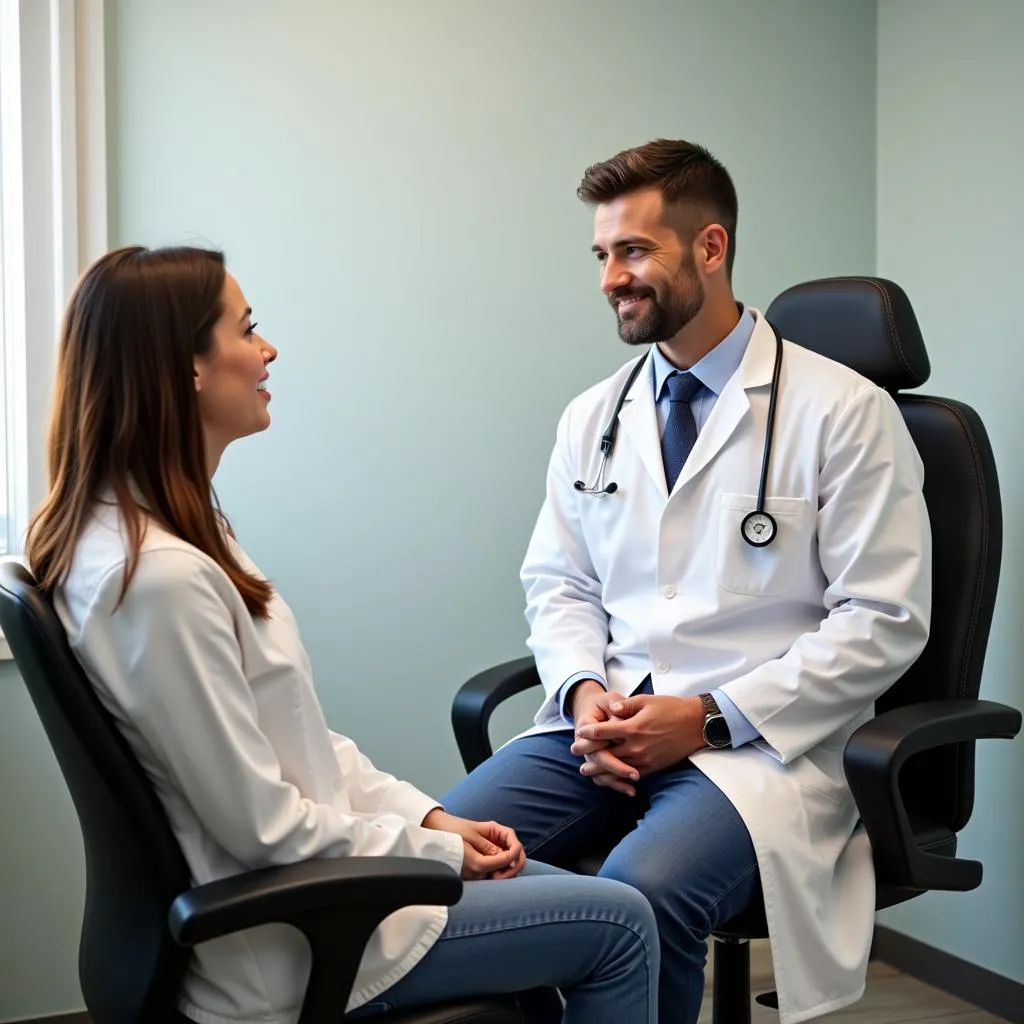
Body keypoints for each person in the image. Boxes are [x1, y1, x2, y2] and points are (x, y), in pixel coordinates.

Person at [25, 245, 660, 1024]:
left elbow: (297, 742)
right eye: (246, 329)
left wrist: (431, 819)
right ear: (185, 367)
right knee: (623, 922)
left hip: (306, 909)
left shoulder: (160, 534)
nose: (268, 350)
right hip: (296, 945)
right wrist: (436, 854)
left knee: (554, 898)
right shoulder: (160, 581)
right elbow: (264, 828)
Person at [441, 139, 932, 1024]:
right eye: (601, 255)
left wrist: (707, 717)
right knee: (435, 857)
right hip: (606, 729)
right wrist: (584, 689)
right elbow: (558, 582)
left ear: (710, 248)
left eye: (634, 251)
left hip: (762, 750)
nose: (609, 278)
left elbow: (884, 618)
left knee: (642, 897)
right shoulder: (594, 415)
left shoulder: (844, 411)